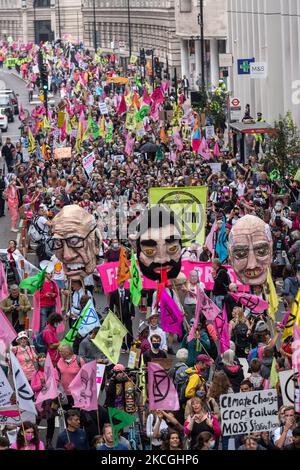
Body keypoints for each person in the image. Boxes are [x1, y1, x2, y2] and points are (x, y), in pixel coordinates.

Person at [31, 352, 59, 449]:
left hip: (50, 399)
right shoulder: (36, 373)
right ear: (38, 361)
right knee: (36, 421)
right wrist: (41, 385)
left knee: (51, 422)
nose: (42, 360)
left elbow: (56, 383)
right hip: (39, 400)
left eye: (44, 358)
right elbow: (33, 388)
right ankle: (33, 441)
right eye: (40, 359)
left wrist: (47, 382)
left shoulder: (53, 370)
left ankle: (49, 441)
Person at [109, 280, 135, 352]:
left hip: (128, 315)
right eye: (119, 282)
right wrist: (112, 315)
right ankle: (123, 346)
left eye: (122, 282)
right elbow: (111, 305)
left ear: (124, 283)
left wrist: (133, 314)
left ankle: (130, 345)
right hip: (119, 315)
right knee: (120, 331)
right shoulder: (114, 294)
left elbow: (131, 304)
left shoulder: (128, 292)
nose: (121, 283)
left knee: (129, 330)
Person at [56, 344, 85, 409]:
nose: (59, 353)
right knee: (66, 413)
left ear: (67, 353)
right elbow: (57, 375)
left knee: (75, 413)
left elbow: (85, 377)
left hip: (76, 393)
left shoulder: (79, 361)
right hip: (64, 393)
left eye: (61, 351)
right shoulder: (59, 361)